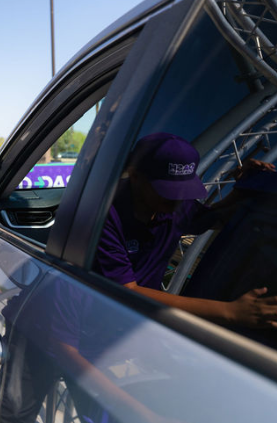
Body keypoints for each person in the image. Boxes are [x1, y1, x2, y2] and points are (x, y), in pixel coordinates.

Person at [94, 132, 277, 328]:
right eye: (167, 191)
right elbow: (126, 289)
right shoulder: (104, 216)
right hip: (101, 317)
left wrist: (243, 186)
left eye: (183, 190)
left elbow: (214, 218)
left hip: (140, 318)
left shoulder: (175, 205)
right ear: (135, 176)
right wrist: (230, 311)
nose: (177, 200)